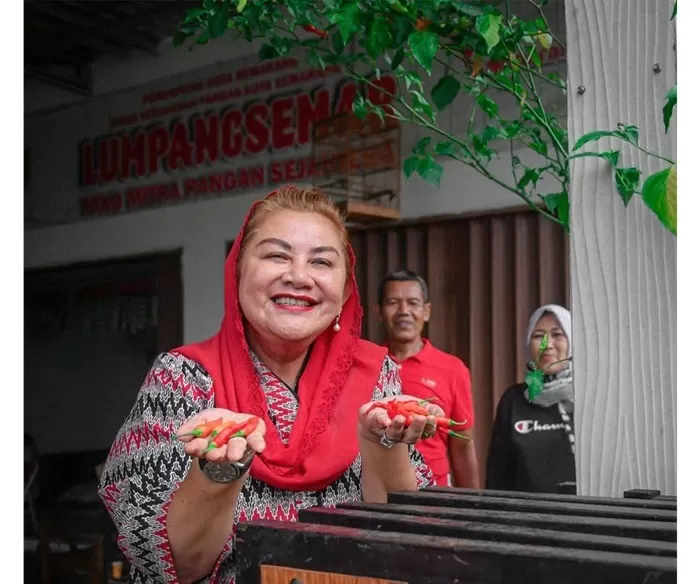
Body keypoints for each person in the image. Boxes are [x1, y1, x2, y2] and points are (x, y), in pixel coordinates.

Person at [97, 187, 439, 584]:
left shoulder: (376, 374)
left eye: (322, 262)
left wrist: (382, 443)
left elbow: (400, 542)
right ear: (238, 272)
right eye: (277, 255)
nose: (298, 276)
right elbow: (178, 565)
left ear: (345, 290)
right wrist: (217, 472)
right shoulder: (182, 378)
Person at [377, 270, 479, 488]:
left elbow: (461, 444)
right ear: (379, 311)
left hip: (432, 493)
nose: (404, 311)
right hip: (375, 493)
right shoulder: (365, 363)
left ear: (426, 311)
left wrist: (474, 505)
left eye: (413, 303)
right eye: (393, 302)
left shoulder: (452, 368)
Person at [485, 303, 575, 493]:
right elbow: (498, 475)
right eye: (538, 336)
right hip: (527, 518)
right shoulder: (514, 399)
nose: (547, 345)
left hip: (587, 515)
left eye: (558, 335)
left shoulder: (589, 396)